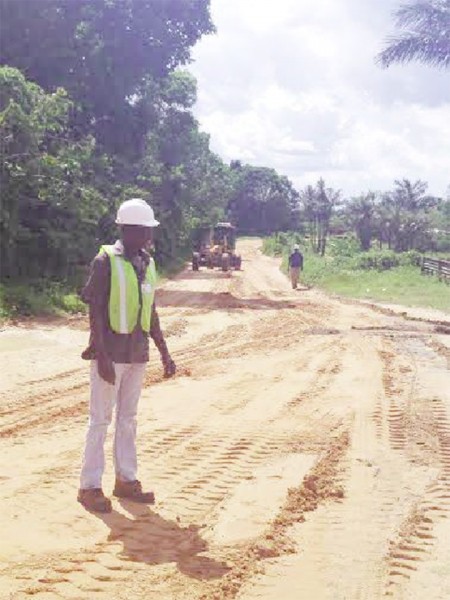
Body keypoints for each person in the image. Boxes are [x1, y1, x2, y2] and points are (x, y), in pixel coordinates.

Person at [77, 198, 176, 513]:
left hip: (137, 354)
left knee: (129, 419)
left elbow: (151, 310)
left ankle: (126, 480)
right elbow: (95, 310)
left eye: (150, 231)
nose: (149, 236)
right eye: (145, 230)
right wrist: (101, 355)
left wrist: (164, 352)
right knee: (100, 420)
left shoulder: (146, 262)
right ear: (127, 229)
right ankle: (89, 487)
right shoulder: (105, 261)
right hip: (111, 355)